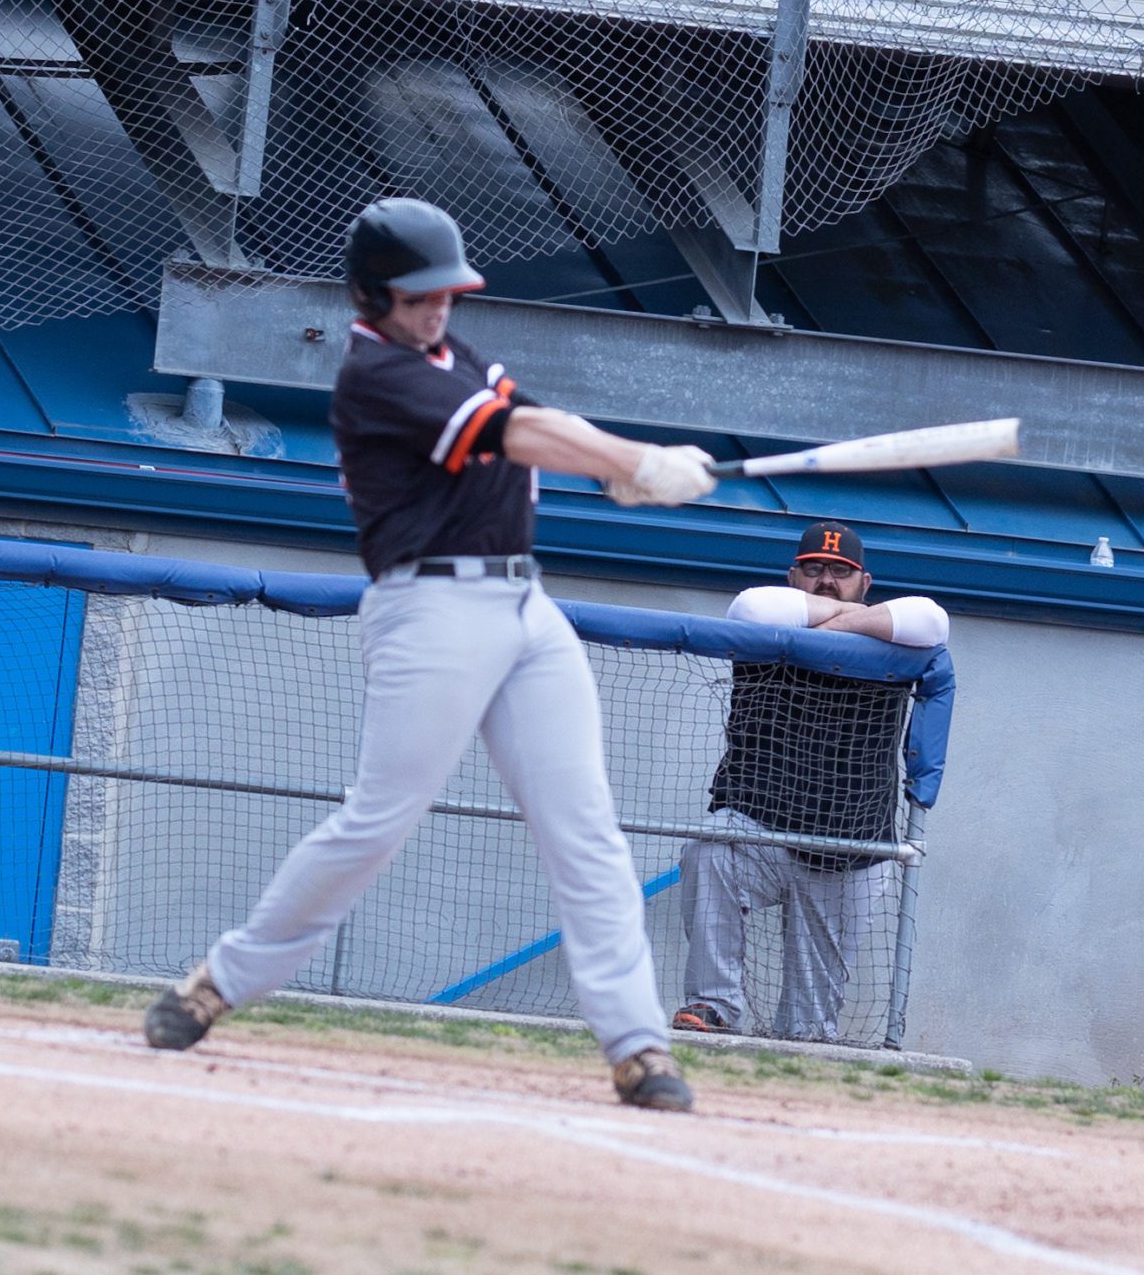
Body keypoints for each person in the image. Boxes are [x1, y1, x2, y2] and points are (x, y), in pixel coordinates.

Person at [141, 199, 716, 1113]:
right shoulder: (375, 375)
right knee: (377, 821)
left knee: (587, 830)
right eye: (419, 296)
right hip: (431, 609)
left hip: (524, 604)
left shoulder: (462, 357)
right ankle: (221, 981)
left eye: (446, 291)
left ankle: (638, 1046)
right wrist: (636, 458)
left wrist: (616, 469)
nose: (437, 307)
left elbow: (538, 418)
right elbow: (516, 435)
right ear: (372, 297)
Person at [672, 520, 949, 1043]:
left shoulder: (898, 638)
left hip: (850, 845)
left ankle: (797, 1065)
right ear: (792, 577)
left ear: (865, 583)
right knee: (708, 852)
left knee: (807, 1030)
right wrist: (849, 620)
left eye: (841, 573)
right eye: (814, 569)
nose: (826, 580)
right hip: (759, 829)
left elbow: (933, 620)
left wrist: (833, 624)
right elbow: (750, 608)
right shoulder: (764, 623)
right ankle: (713, 1005)